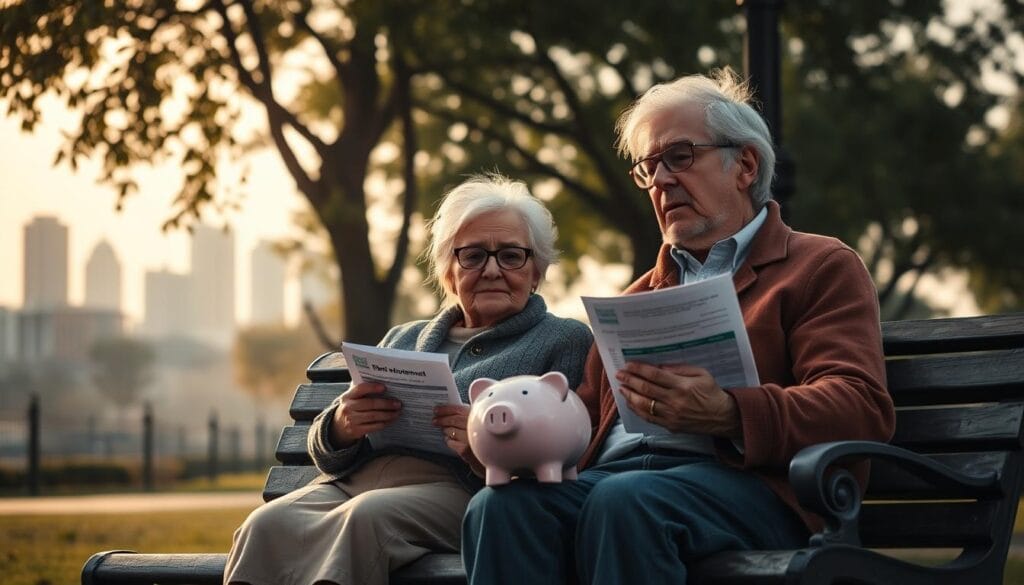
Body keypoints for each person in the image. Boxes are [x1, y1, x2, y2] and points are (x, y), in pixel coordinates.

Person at [461, 69, 896, 585]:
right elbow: (583, 414)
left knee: (625, 503)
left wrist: (731, 412)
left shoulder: (819, 265)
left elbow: (860, 405)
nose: (661, 180)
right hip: (615, 481)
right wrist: (507, 433)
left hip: (752, 489)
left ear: (745, 165)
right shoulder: (634, 296)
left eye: (679, 157)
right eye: (648, 167)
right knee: (501, 507)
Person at [224, 174, 593, 585]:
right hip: (356, 484)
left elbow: (572, 451)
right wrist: (344, 426)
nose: (491, 270)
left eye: (510, 256)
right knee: (266, 524)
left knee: (367, 519)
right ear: (448, 272)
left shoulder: (564, 339)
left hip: (466, 493)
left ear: (536, 272)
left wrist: (485, 444)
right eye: (472, 256)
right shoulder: (404, 337)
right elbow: (326, 449)